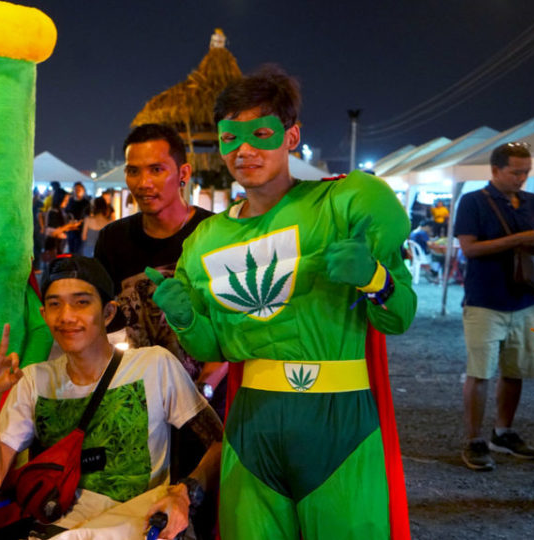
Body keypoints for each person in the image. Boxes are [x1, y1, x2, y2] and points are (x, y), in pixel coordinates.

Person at [150, 65, 416, 538]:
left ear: (291, 136)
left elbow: (398, 316)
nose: (244, 150)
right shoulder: (207, 239)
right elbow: (214, 347)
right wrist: (185, 316)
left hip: (340, 427)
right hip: (252, 426)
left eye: (261, 133)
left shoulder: (343, 203)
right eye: (231, 138)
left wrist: (375, 277)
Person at [0, 255, 222, 538]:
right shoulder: (33, 381)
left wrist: (185, 492)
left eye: (81, 302)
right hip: (56, 530)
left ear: (108, 312)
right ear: (44, 315)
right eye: (55, 304)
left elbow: (220, 443)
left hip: (137, 527)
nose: (66, 316)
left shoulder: (153, 365)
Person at [454, 141, 534, 471]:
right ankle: (474, 439)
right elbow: (469, 249)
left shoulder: (532, 201)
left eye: (526, 172)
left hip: (525, 298)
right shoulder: (472, 202)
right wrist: (519, 240)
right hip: (485, 299)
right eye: (515, 172)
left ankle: (503, 432)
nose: (521, 178)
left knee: (516, 370)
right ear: (495, 170)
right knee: (479, 372)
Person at [94, 123, 213, 382]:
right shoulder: (112, 239)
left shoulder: (214, 234)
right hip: (134, 392)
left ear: (183, 173)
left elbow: (232, 325)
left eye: (157, 170)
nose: (144, 183)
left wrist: (204, 390)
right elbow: (103, 321)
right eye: (133, 171)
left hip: (204, 395)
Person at [66, 182, 91, 256]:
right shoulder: (69, 201)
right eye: (76, 189)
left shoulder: (86, 202)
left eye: (79, 189)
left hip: (81, 229)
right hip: (70, 229)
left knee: (79, 250)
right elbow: (66, 212)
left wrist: (81, 221)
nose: (77, 191)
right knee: (71, 249)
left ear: (83, 190)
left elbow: (88, 215)